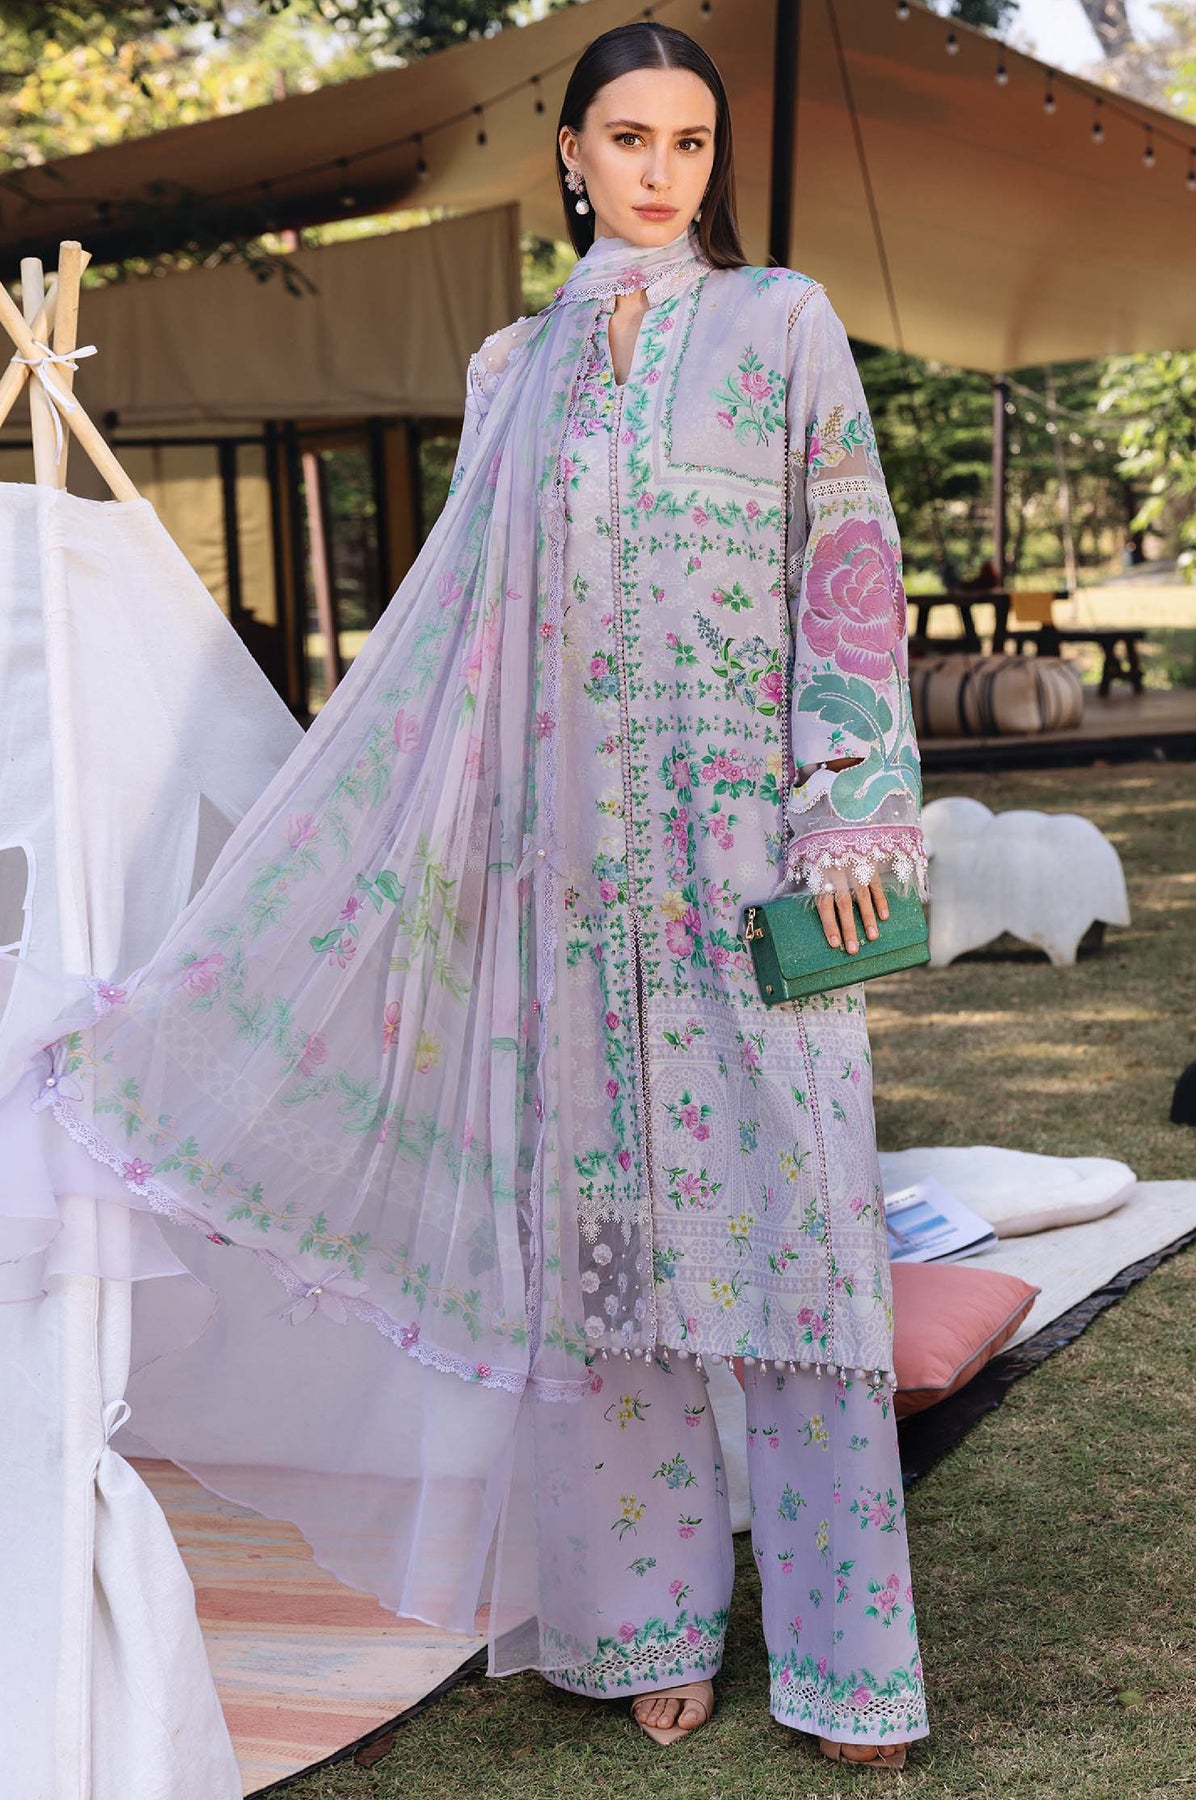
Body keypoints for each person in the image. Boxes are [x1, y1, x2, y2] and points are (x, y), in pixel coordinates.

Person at [4, 16, 927, 1778]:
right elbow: (471, 638)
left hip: (749, 864)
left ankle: (847, 1657)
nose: (660, 172)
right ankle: (645, 1624)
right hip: (565, 880)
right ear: (569, 155)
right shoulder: (513, 370)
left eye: (688, 143)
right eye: (630, 138)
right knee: (601, 1271)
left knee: (800, 1256)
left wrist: (848, 815)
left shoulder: (779, 324)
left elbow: (849, 564)